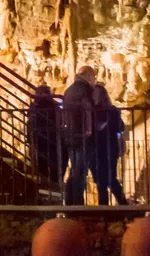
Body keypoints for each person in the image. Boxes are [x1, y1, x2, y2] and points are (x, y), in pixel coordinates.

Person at [62, 65, 97, 205]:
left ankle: (70, 199)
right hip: (83, 135)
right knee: (80, 170)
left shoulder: (69, 90)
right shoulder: (85, 90)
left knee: (75, 168)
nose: (94, 80)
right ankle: (77, 201)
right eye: (93, 77)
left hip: (70, 135)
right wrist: (90, 130)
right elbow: (89, 110)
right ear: (88, 76)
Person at [90, 82, 128, 205]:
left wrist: (103, 126)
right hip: (107, 148)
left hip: (100, 148)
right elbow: (120, 127)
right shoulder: (111, 110)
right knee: (108, 179)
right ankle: (121, 203)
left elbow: (120, 127)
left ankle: (107, 206)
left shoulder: (94, 112)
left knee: (104, 180)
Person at [27, 84, 63, 194]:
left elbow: (31, 123)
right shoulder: (54, 107)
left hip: (40, 138)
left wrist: (29, 138)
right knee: (54, 165)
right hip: (52, 138)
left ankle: (43, 187)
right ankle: (55, 187)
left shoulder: (35, 107)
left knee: (42, 165)